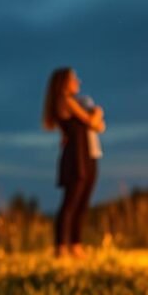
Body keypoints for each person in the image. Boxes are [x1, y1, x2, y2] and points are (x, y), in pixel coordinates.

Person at [42, 67, 105, 258]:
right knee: (71, 203)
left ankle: (76, 245)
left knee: (82, 202)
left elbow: (97, 126)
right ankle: (61, 247)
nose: (78, 81)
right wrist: (98, 111)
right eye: (74, 78)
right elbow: (91, 121)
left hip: (88, 156)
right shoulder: (66, 101)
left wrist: (95, 117)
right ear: (63, 82)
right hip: (76, 158)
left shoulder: (74, 102)